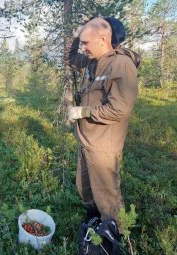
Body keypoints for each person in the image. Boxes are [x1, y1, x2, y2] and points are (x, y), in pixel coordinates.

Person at [67, 17, 140, 229]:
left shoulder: (121, 64)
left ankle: (117, 235)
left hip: (103, 145)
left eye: (86, 43)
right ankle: (93, 220)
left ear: (104, 39)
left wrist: (84, 111)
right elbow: (71, 58)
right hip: (87, 140)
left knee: (108, 196)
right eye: (82, 43)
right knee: (86, 189)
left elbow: (119, 109)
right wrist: (77, 33)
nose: (83, 48)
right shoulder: (92, 60)